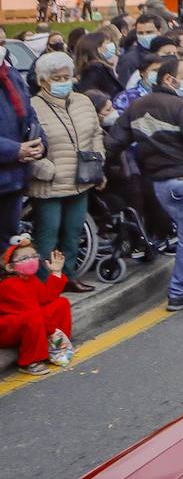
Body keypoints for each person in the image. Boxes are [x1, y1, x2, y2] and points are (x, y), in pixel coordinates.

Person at [106, 57, 183, 311]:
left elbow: (114, 142)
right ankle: (179, 291)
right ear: (169, 79)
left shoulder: (136, 107)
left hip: (161, 185)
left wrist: (109, 167)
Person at [27, 52, 102, 294]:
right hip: (48, 184)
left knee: (73, 233)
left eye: (66, 76)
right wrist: (46, 169)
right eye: (57, 78)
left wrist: (98, 162)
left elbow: (96, 134)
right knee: (47, 236)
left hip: (81, 180)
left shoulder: (83, 101)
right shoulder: (32, 107)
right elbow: (26, 146)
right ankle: (43, 284)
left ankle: (68, 276)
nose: (63, 82)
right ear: (43, 81)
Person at [0, 236, 74, 375]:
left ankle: (59, 346)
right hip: (6, 328)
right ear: (10, 267)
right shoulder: (9, 285)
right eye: (24, 258)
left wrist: (56, 272)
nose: (31, 260)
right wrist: (53, 332)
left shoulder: (30, 278)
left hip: (27, 318)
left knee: (61, 303)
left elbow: (46, 297)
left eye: (33, 256)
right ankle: (30, 361)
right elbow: (34, 313)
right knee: (33, 317)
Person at [0, 36, 40, 244]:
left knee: (9, 245)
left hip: (14, 179)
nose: (2, 49)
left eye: (2, 44)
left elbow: (29, 113)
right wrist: (15, 149)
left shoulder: (11, 75)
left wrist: (38, 141)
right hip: (8, 167)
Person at [73, 30, 121, 98]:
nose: (109, 46)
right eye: (106, 43)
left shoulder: (95, 67)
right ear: (97, 47)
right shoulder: (95, 68)